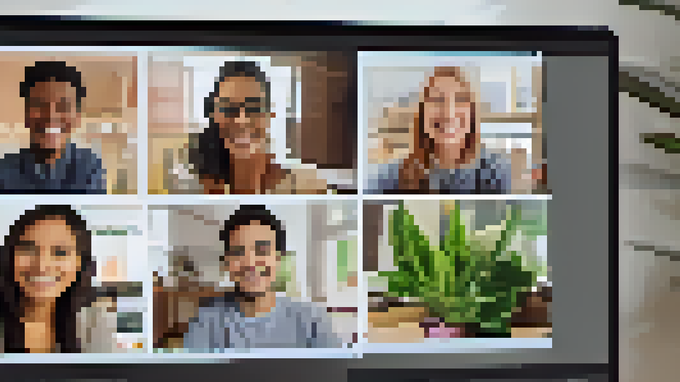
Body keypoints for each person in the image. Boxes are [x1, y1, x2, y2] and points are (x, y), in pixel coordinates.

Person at [0, 205, 122, 357]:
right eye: (28, 249)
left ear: (80, 264)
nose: (42, 265)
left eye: (60, 252)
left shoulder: (95, 324)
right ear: (10, 257)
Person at [182, 205, 344, 351]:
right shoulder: (205, 322)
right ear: (226, 262)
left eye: (262, 250)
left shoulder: (312, 321)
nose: (250, 263)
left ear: (278, 259)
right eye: (238, 252)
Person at [177, 61, 325, 194]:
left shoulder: (304, 186)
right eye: (229, 108)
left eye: (254, 108)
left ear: (269, 116)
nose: (242, 120)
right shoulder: (193, 184)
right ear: (215, 116)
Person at [367, 65, 513, 194]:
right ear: (423, 113)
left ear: (473, 114)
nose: (448, 113)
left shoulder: (497, 171)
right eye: (437, 100)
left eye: (461, 100)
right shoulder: (394, 175)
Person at [0, 61, 108, 194]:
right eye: (39, 105)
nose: (51, 116)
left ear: (77, 117)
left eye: (63, 106)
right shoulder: (2, 171)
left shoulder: (90, 167)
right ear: (26, 114)